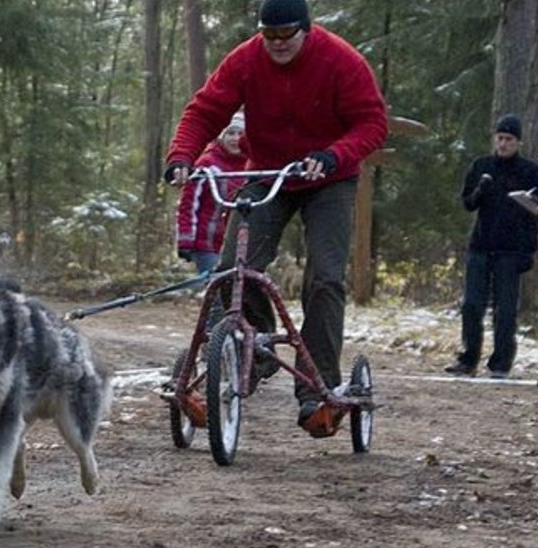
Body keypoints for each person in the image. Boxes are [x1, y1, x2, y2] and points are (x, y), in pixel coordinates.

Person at [163, 0, 388, 438]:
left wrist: (333, 154)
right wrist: (181, 157)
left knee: (323, 278)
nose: (279, 44)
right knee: (233, 271)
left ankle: (315, 390)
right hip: (269, 173)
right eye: (270, 36)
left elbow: (372, 124)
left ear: (307, 29)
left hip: (329, 178)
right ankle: (255, 349)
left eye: (288, 35)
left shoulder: (340, 60)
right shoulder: (246, 59)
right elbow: (204, 110)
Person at [444, 115, 538, 380]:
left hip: (511, 250)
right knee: (472, 305)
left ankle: (500, 363)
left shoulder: (530, 171)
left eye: (509, 139)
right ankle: (468, 358)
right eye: (499, 138)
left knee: (506, 308)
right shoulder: (481, 165)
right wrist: (480, 190)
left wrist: (529, 250)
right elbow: (467, 203)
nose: (503, 144)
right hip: (481, 245)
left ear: (518, 142)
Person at [175, 112, 247, 275]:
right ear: (221, 136)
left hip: (240, 242)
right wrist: (185, 240)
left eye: (240, 134)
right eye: (230, 133)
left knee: (239, 290)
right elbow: (188, 204)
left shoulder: (251, 166)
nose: (235, 138)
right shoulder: (207, 164)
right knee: (216, 291)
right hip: (207, 243)